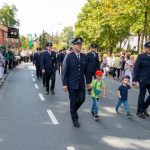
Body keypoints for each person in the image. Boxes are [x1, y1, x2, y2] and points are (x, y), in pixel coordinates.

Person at [62, 37, 90, 128]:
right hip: (72, 83)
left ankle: (73, 110)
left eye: (80, 44)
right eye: (78, 44)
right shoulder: (69, 56)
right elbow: (64, 71)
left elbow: (87, 71)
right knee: (73, 102)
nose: (80, 46)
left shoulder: (84, 56)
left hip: (81, 83)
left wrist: (88, 82)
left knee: (82, 99)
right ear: (73, 46)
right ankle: (74, 119)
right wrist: (65, 84)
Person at [133, 41, 150, 119]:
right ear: (145, 48)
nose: (149, 49)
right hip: (143, 79)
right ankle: (139, 111)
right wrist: (134, 79)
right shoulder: (141, 56)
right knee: (142, 95)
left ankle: (143, 108)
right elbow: (136, 68)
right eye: (147, 48)